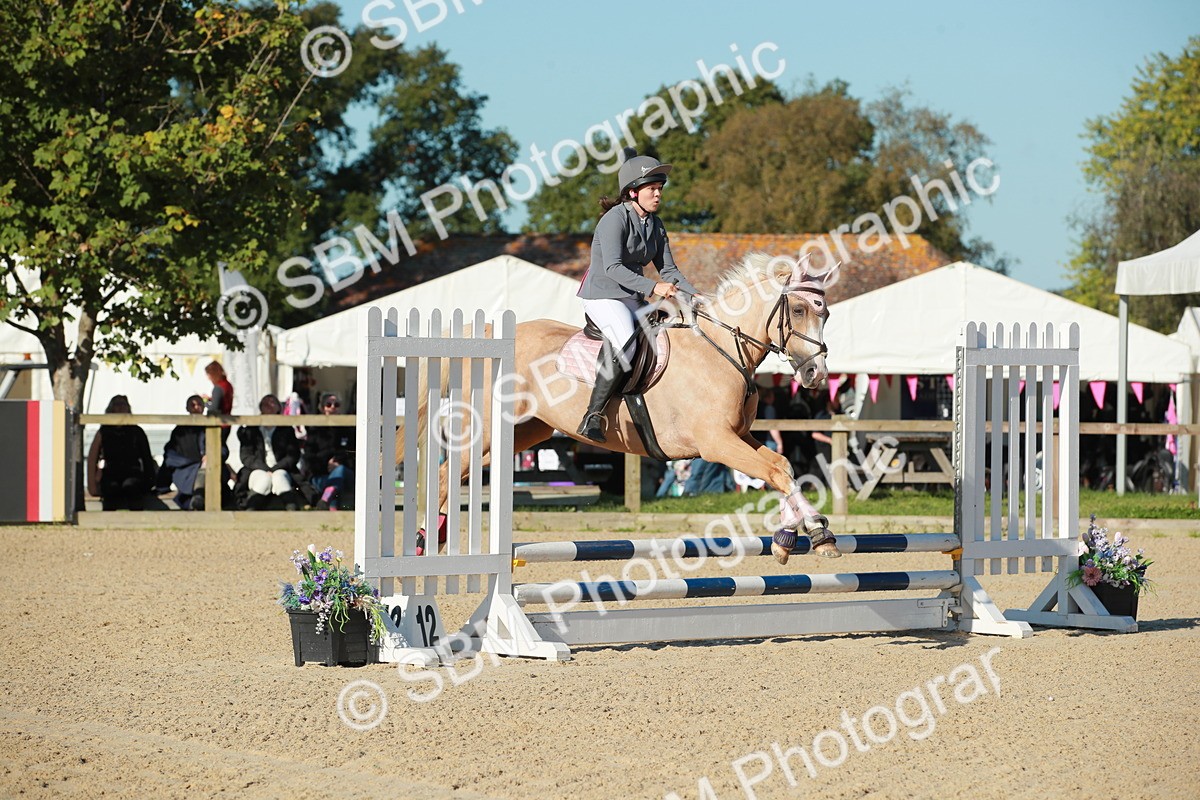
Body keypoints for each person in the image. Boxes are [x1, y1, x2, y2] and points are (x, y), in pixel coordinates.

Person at [575, 148, 703, 443]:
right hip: (603, 295)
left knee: (665, 337)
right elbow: (612, 267)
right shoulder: (614, 220)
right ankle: (593, 415)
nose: (658, 194)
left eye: (659, 189)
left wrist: (698, 297)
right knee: (627, 342)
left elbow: (669, 271)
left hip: (632, 297)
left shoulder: (656, 226)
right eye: (652, 189)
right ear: (632, 192)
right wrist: (653, 288)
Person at [87, 395, 156, 510]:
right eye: (117, 404)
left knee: (131, 487)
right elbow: (92, 458)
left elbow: (146, 458)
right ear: (111, 409)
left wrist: (150, 482)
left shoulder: (137, 431)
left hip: (132, 473)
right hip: (110, 473)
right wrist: (92, 485)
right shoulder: (103, 432)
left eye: (123, 404)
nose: (120, 408)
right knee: (111, 489)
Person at [235, 394, 303, 510]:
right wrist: (265, 469)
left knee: (279, 478)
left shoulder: (286, 429)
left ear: (278, 408)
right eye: (265, 403)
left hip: (281, 469)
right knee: (264, 479)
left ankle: (292, 513)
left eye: (273, 402)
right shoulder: (251, 429)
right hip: (257, 469)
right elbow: (246, 456)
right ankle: (250, 511)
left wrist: (275, 469)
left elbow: (293, 455)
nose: (269, 405)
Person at [303, 393, 355, 510]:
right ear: (322, 408)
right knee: (334, 484)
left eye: (336, 404)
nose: (332, 407)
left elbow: (354, 453)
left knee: (339, 471)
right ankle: (331, 509)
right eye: (328, 404)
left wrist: (338, 461)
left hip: (346, 473)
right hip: (321, 475)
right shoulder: (315, 430)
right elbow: (309, 458)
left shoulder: (348, 429)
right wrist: (327, 465)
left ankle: (324, 501)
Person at [160, 394, 207, 510]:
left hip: (210, 469)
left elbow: (222, 449)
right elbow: (171, 455)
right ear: (187, 408)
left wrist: (210, 457)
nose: (196, 408)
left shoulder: (211, 427)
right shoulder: (180, 431)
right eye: (193, 405)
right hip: (187, 469)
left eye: (199, 404)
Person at [204, 360, 234, 444]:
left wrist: (204, 403)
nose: (208, 378)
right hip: (227, 423)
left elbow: (214, 409)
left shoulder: (218, 387)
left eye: (208, 374)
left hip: (219, 424)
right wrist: (210, 399)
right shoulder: (228, 385)